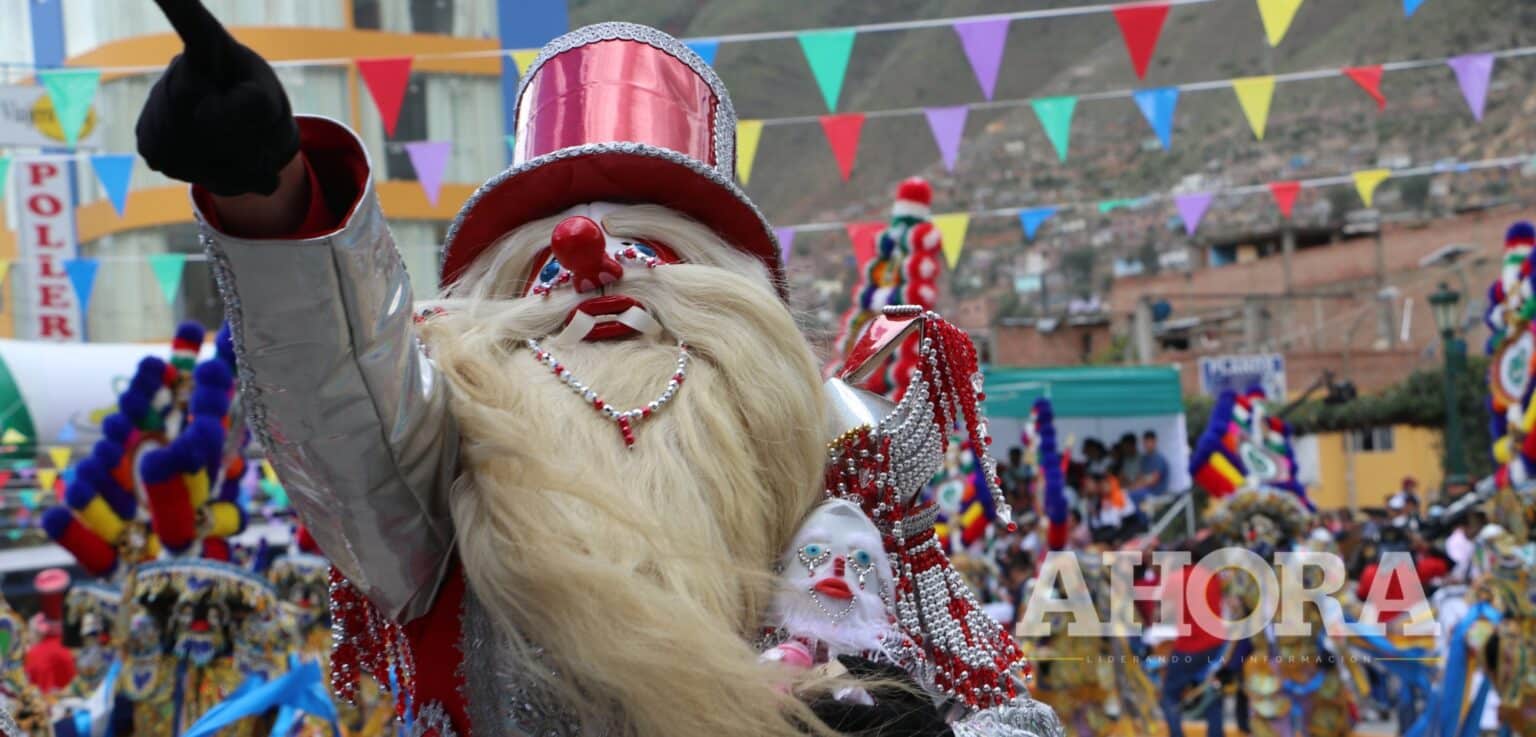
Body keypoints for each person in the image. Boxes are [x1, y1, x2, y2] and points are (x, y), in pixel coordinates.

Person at [134, 3, 1061, 736]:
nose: (588, 257)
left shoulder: (832, 456)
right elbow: (338, 394)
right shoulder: (447, 470)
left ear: (727, 301)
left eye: (649, 249)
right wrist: (273, 191)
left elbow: (1008, 707)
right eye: (545, 263)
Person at [1158, 537, 1226, 737]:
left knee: (1169, 695)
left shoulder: (1176, 578)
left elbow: (1161, 610)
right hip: (1216, 644)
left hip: (1190, 646)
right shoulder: (1213, 577)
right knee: (1211, 691)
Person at [1129, 430, 1170, 504]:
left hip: (1156, 492)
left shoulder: (1159, 459)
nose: (1146, 445)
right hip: (1144, 490)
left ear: (1155, 442)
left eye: (1148, 442)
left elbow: (1153, 480)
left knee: (1132, 495)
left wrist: (1136, 487)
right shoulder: (1144, 459)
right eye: (1145, 442)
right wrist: (1133, 486)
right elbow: (1140, 476)